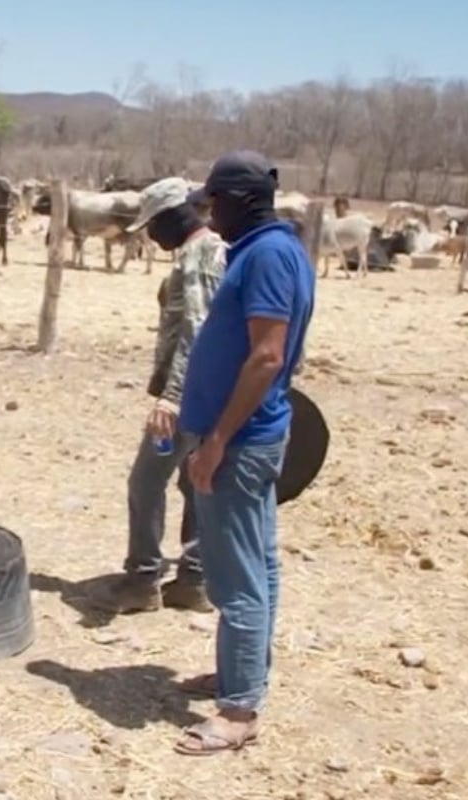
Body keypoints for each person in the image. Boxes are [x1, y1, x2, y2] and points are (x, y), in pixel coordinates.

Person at [172, 151, 315, 755]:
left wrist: (218, 438)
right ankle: (246, 674)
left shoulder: (268, 256)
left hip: (241, 441)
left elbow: (267, 356)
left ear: (240, 201)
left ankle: (237, 711)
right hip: (249, 434)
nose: (211, 213)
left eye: (215, 202)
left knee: (236, 579)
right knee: (258, 561)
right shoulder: (269, 251)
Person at [90, 177, 226, 615]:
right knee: (195, 481)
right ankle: (193, 578)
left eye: (153, 225)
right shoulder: (210, 250)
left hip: (191, 395)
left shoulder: (199, 256)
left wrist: (171, 396)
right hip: (209, 391)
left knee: (147, 480)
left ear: (174, 216)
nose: (150, 236)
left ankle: (144, 578)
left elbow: (197, 328)